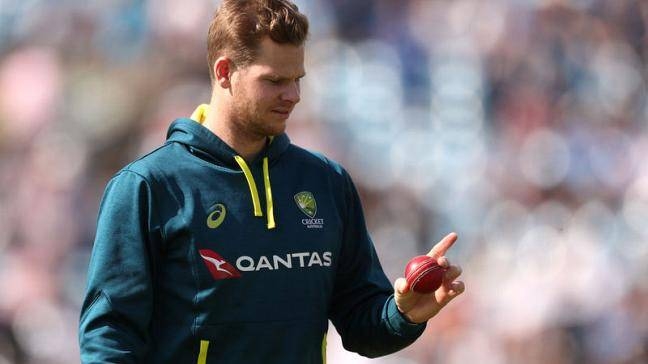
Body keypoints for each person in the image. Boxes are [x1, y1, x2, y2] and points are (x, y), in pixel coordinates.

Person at [78, 0, 465, 363]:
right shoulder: (148, 186)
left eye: (298, 79)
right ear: (225, 72)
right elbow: (108, 337)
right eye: (275, 81)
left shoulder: (326, 181)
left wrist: (403, 314)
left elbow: (362, 325)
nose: (293, 95)